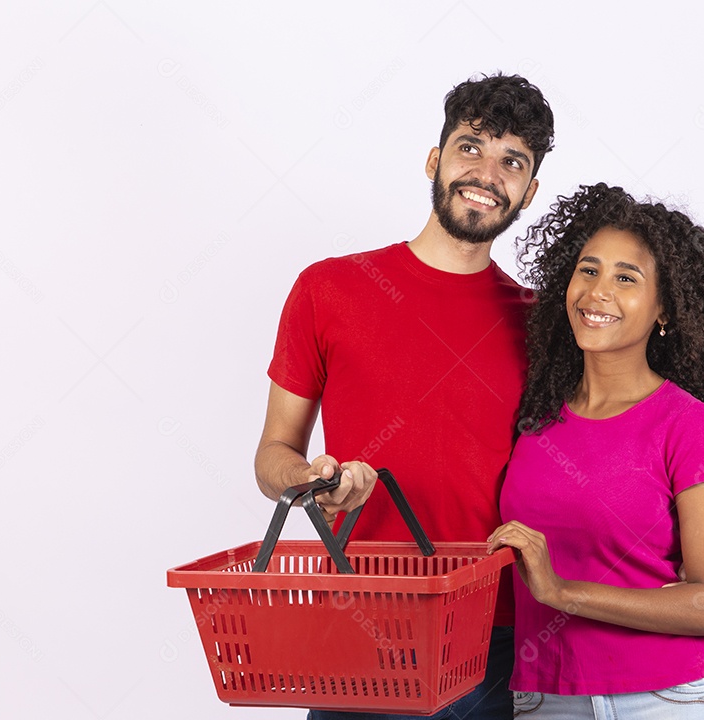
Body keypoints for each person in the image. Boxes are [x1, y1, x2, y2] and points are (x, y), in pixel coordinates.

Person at [254, 72, 555, 720]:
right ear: (434, 159)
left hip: (491, 640)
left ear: (528, 192)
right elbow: (275, 452)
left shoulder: (542, 325)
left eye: (512, 161)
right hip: (361, 627)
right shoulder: (329, 289)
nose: (486, 172)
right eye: (470, 147)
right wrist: (313, 479)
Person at [488, 183, 704, 718]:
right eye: (588, 270)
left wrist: (563, 592)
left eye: (626, 278)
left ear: (664, 309)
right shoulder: (535, 417)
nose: (598, 292)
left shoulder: (686, 424)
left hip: (666, 699)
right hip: (546, 698)